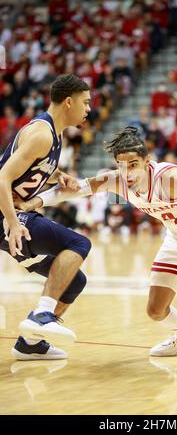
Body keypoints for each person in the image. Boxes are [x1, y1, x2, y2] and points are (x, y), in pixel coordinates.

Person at [19, 127, 177, 357]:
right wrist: (35, 202)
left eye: (133, 165)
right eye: (121, 165)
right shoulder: (117, 181)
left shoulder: (170, 179)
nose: (127, 171)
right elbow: (74, 188)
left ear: (146, 162)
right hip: (176, 235)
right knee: (155, 310)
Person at [0, 74, 92, 360]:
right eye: (85, 102)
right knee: (79, 244)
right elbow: (2, 176)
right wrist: (13, 223)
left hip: (9, 215)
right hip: (5, 216)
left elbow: (35, 167)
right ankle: (42, 315)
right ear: (68, 102)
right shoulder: (42, 133)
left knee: (74, 281)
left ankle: (30, 343)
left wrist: (59, 175)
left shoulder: (56, 133)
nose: (88, 109)